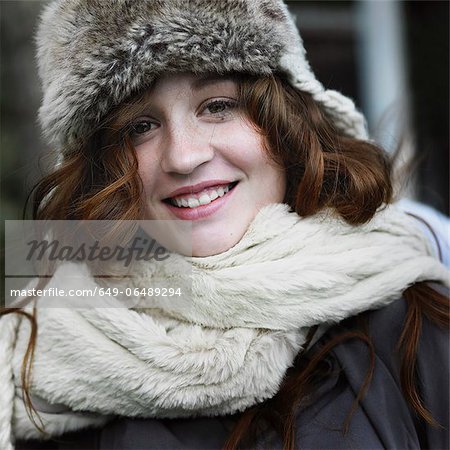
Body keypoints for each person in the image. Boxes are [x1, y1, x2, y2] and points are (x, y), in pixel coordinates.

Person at [1, 0, 449, 449]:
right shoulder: (37, 361)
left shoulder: (412, 320)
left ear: (285, 123)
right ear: (102, 166)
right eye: (140, 126)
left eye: (217, 105)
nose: (184, 156)